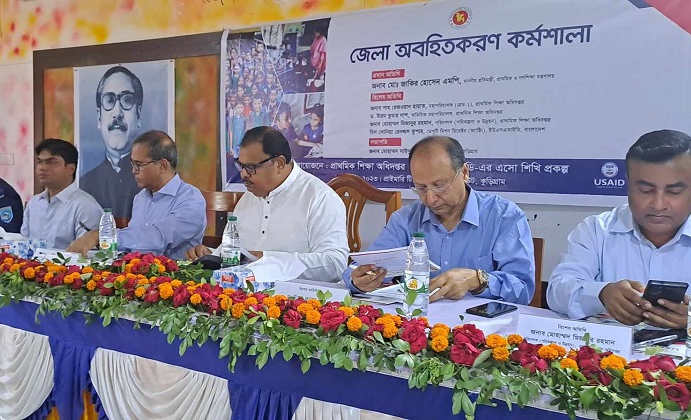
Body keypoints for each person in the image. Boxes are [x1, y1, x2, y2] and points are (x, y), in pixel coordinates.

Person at [547, 130, 691, 328]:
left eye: (674, 191)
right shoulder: (596, 231)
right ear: (628, 183)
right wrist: (601, 293)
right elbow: (558, 291)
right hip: (612, 347)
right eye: (645, 190)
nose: (658, 205)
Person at [343, 136, 535, 304]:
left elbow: (523, 290)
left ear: (464, 173)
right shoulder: (405, 220)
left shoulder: (504, 217)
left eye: (439, 185)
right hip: (417, 323)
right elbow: (356, 269)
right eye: (421, 188)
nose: (430, 199)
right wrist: (358, 280)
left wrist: (477, 280)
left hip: (481, 329)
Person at [185, 126, 349, 282]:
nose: (243, 174)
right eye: (241, 165)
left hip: (296, 297)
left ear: (279, 163)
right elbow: (239, 253)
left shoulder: (319, 198)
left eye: (251, 167)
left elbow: (335, 264)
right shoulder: (248, 198)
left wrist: (270, 261)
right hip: (241, 294)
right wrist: (212, 255)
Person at [68, 130, 206, 259]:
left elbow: (159, 237)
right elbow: (135, 243)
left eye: (139, 164)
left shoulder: (191, 199)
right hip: (138, 272)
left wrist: (103, 236)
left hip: (176, 274)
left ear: (162, 166)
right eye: (132, 164)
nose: (134, 171)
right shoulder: (141, 197)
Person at [79, 65, 144, 219]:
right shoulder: (84, 184)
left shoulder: (151, 182)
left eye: (126, 100)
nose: (117, 113)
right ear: (99, 117)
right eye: (109, 100)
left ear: (138, 114)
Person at [21, 139, 102, 249]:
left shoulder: (85, 206)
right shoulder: (34, 203)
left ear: (71, 169)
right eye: (40, 161)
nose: (42, 167)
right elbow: (24, 244)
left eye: (52, 162)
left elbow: (87, 252)